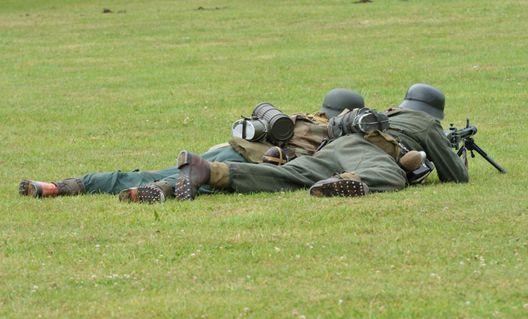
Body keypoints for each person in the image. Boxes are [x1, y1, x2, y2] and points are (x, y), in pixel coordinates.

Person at [19, 88, 366, 202]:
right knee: (205, 183)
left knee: (166, 171)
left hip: (228, 148)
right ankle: (160, 190)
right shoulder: (337, 134)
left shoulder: (298, 118)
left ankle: (67, 186)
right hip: (247, 165)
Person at [172, 83, 468, 200]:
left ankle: (209, 171)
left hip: (333, 146)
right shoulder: (426, 123)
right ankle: (348, 182)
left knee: (288, 175)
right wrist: (459, 156)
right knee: (390, 174)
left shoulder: (387, 114)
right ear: (434, 113)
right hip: (366, 152)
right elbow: (456, 176)